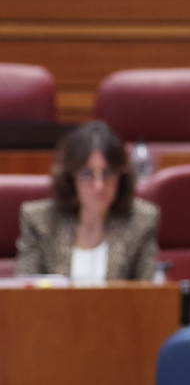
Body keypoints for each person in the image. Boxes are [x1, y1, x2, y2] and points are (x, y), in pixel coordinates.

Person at [15, 120, 160, 282]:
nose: (99, 186)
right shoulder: (40, 220)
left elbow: (148, 294)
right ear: (70, 177)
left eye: (107, 173)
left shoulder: (141, 221)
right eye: (87, 174)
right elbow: (25, 293)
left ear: (122, 175)